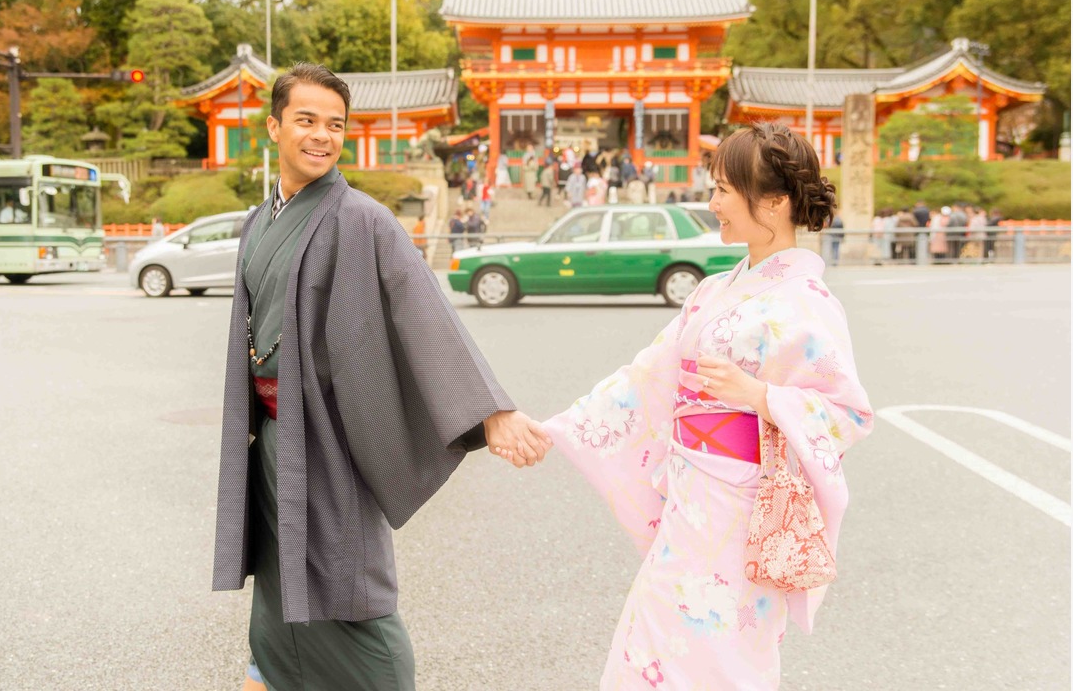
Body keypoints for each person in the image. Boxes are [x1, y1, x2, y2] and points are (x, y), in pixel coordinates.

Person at [214, 64, 551, 691]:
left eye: (335, 126)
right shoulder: (258, 225)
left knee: (352, 586)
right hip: (271, 441)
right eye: (307, 121)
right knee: (278, 582)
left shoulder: (362, 219)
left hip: (329, 443)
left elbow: (422, 310)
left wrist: (489, 411)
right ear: (274, 126)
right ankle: (272, 674)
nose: (322, 136)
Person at [541, 122, 873, 688]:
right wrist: (556, 428)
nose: (711, 202)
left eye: (723, 189)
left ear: (774, 201)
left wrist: (762, 397)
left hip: (743, 507)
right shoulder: (714, 289)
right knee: (655, 641)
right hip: (691, 499)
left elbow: (847, 413)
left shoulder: (806, 302)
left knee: (726, 652)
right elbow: (648, 374)